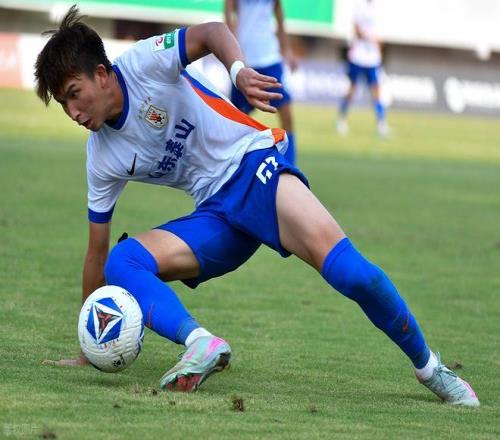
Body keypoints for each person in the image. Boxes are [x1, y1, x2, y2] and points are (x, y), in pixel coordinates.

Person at [35, 5, 479, 405]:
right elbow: (96, 252)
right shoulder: (101, 157)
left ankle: (430, 368)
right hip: (215, 216)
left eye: (74, 93)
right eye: (63, 103)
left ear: (102, 74)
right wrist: (87, 347)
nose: (73, 112)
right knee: (121, 262)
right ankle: (200, 343)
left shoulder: (142, 63)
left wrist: (239, 71)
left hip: (253, 167)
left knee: (352, 273)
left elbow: (211, 32)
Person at [224, 0, 298, 165]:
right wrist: (234, 55)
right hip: (245, 62)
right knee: (235, 122)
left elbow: (279, 15)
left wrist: (287, 50)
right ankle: (231, 167)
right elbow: (228, 17)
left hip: (270, 58)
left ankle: (291, 166)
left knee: (287, 116)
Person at [337, 0, 389, 137]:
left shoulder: (378, 7)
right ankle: (342, 119)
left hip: (373, 59)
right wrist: (370, 38)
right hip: (358, 57)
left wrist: (378, 44)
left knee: (376, 91)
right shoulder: (359, 5)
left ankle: (381, 123)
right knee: (352, 89)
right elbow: (356, 29)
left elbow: (380, 35)